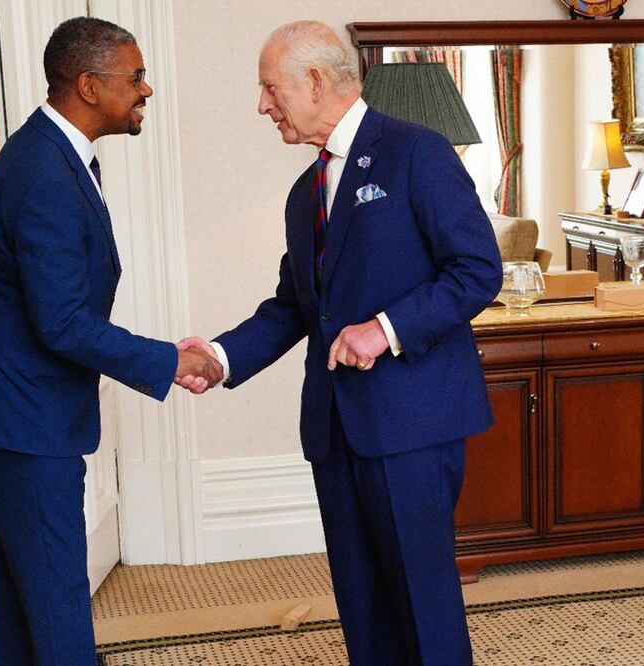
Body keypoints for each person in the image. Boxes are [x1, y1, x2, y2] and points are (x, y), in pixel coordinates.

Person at [178, 20, 502, 665]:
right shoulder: (306, 193)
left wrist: (384, 331)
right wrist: (218, 357)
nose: (262, 105)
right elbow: (295, 307)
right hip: (335, 427)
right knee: (361, 600)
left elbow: (477, 271)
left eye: (270, 88)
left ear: (316, 81)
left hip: (411, 422)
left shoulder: (418, 152)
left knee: (421, 599)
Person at [0, 17, 222, 666]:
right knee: (58, 593)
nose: (146, 91)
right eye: (136, 78)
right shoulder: (43, 171)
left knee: (28, 588)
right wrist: (168, 360)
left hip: (21, 405)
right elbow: (61, 322)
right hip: (21, 410)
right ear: (90, 85)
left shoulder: (55, 154)